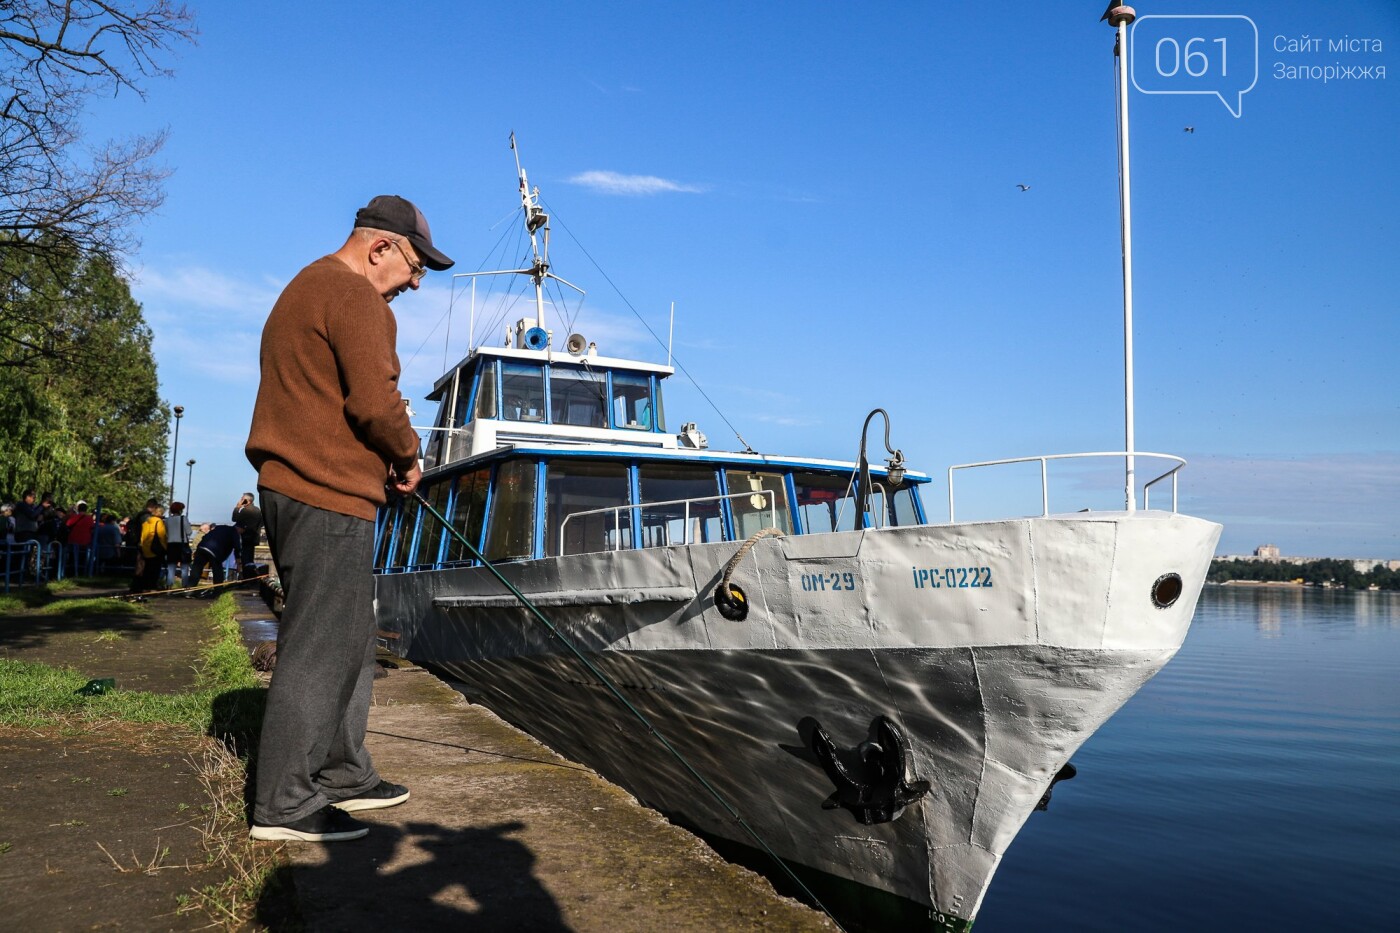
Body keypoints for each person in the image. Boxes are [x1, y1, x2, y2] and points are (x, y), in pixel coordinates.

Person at [244, 194, 452, 843]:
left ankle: (341, 770)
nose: (416, 282)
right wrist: (408, 454)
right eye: (415, 265)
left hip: (299, 488)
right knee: (321, 643)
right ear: (379, 247)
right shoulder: (357, 294)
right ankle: (284, 803)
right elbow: (376, 402)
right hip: (326, 495)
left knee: (352, 638)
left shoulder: (305, 286)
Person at [127, 500, 167, 596]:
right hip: (155, 550)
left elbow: (143, 536)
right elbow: (162, 536)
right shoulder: (159, 522)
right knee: (155, 570)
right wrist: (165, 547)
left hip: (145, 548)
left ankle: (143, 587)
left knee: (146, 569)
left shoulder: (146, 522)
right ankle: (152, 587)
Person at [188, 522, 240, 593]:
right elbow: (237, 548)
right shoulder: (235, 532)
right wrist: (238, 561)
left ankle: (189, 589)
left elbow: (205, 536)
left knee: (196, 568)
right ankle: (218, 590)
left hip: (202, 546)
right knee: (217, 571)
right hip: (215, 551)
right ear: (240, 528)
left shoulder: (220, 527)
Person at [232, 492, 263, 579]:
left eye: (242, 499)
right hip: (253, 538)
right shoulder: (257, 510)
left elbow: (234, 518)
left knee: (245, 560)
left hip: (245, 538)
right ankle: (249, 578)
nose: (240, 500)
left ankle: (246, 579)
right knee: (249, 560)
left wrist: (237, 507)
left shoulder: (246, 511)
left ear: (248, 501)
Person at [64, 500, 96, 576]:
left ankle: (72, 573)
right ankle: (83, 573)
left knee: (73, 558)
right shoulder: (89, 519)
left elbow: (67, 525)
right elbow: (92, 529)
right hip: (85, 541)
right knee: (83, 558)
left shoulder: (74, 517)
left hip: (73, 539)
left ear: (78, 509)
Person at [165, 501, 193, 587]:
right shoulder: (183, 518)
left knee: (171, 567)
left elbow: (165, 533)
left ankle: (169, 586)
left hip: (170, 545)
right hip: (182, 544)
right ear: (180, 510)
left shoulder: (167, 520)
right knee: (184, 568)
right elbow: (189, 532)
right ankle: (185, 586)